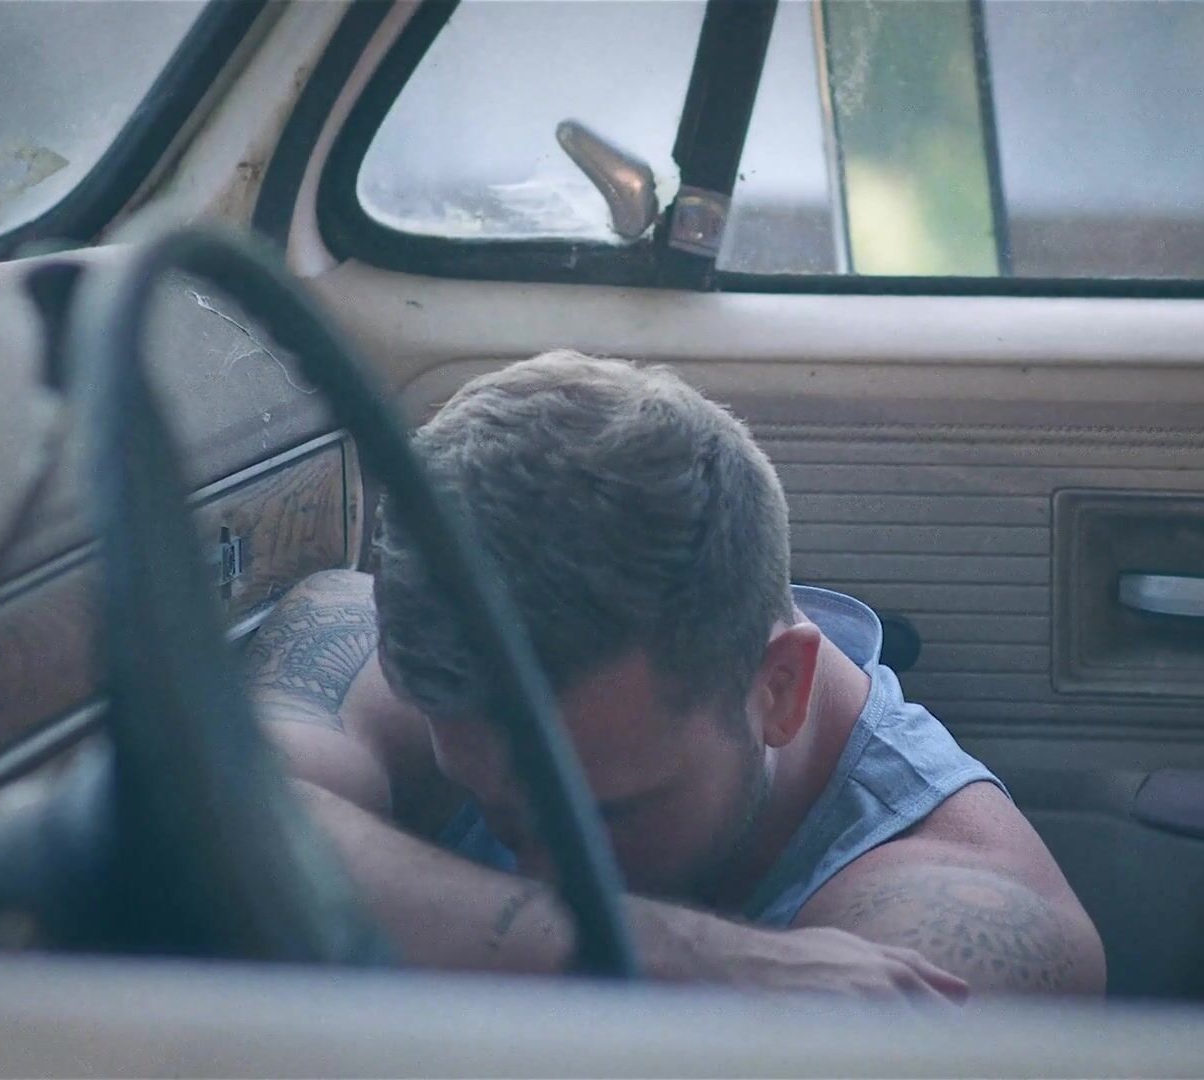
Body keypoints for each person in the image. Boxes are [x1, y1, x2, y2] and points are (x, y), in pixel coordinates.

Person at [245, 351, 1104, 1000]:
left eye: (602, 817)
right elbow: (216, 816)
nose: (543, 873)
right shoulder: (378, 638)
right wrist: (672, 952)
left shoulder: (970, 921)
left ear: (778, 689)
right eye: (494, 808)